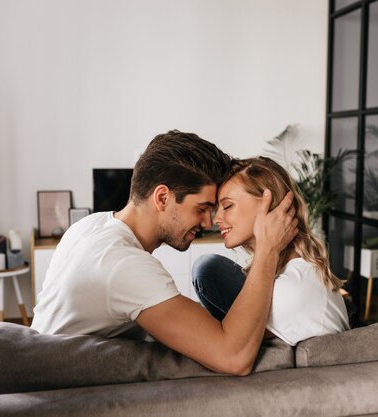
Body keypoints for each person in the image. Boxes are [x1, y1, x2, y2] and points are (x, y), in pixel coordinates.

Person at [31, 130, 298, 376]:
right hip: (61, 391)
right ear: (162, 198)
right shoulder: (123, 264)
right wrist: (267, 249)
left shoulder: (90, 225)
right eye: (202, 208)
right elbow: (234, 358)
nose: (208, 223)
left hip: (39, 365)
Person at [192, 157, 350, 346]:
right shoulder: (284, 275)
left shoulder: (290, 289)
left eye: (227, 206)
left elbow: (227, 347)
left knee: (208, 268)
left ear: (267, 204)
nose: (216, 219)